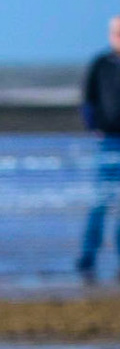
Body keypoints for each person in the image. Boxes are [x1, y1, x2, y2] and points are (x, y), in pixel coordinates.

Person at [78, 16, 120, 281]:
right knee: (100, 202)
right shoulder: (100, 63)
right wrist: (92, 125)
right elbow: (88, 100)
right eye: (116, 33)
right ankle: (87, 258)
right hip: (107, 142)